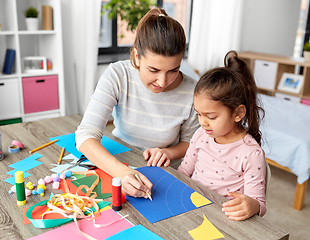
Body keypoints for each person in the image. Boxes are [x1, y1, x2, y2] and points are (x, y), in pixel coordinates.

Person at [75, 8, 199, 199]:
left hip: (164, 175)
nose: (162, 81)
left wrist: (168, 152)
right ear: (137, 56)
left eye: (173, 70)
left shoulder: (193, 91)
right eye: (153, 69)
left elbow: (190, 143)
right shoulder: (118, 74)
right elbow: (85, 136)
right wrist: (122, 173)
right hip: (117, 164)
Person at [177, 50, 267, 221]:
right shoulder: (201, 135)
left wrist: (251, 205)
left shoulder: (251, 153)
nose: (203, 122)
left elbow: (259, 204)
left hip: (224, 217)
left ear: (238, 113)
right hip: (191, 207)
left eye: (211, 116)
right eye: (198, 114)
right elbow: (183, 172)